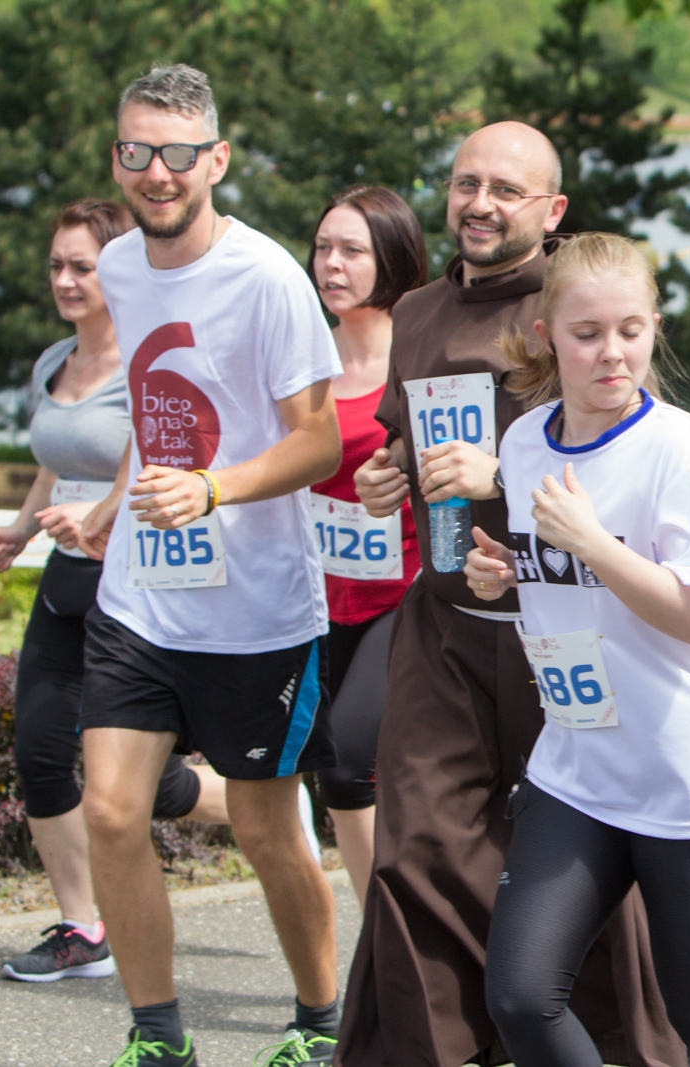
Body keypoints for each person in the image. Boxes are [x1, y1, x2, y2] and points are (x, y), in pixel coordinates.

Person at [340, 122, 685, 1067]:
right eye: (465, 184)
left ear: (552, 211)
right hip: (446, 620)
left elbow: (630, 447)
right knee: (414, 852)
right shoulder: (413, 312)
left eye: (505, 189)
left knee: (586, 872)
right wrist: (393, 470)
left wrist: (504, 470)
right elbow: (408, 438)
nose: (480, 204)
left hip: (564, 629)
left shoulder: (578, 301)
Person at [74, 65, 344, 1067]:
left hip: (256, 610)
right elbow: (155, 417)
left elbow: (317, 444)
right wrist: (116, 504)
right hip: (143, 590)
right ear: (119, 157)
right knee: (109, 808)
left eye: (179, 152)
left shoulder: (268, 278)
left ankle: (319, 1018)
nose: (157, 171)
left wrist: (214, 488)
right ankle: (158, 1037)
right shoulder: (119, 267)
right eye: (137, 151)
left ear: (216, 159)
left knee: (269, 833)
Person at [463, 232, 690, 1067]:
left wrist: (591, 543)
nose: (614, 353)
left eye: (632, 330)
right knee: (522, 997)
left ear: (654, 326)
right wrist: (508, 571)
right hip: (579, 765)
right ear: (545, 334)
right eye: (589, 333)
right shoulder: (527, 441)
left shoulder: (680, 448)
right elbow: (561, 580)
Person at [0, 199, 229, 985]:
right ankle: (84, 926)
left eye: (82, 266)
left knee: (144, 784)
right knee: (41, 752)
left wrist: (99, 513)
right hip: (65, 581)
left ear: (116, 268)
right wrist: (22, 529)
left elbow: (158, 461)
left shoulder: (149, 363)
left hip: (138, 580)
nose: (66, 279)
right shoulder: (55, 358)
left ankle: (260, 800)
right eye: (56, 265)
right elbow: (56, 461)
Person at [306, 185, 427, 909]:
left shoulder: (419, 362)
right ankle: (384, 941)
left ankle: (389, 946)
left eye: (352, 250)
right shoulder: (302, 364)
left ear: (393, 259)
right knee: (329, 768)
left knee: (350, 765)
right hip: (318, 597)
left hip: (404, 596)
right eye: (323, 247)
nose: (332, 264)